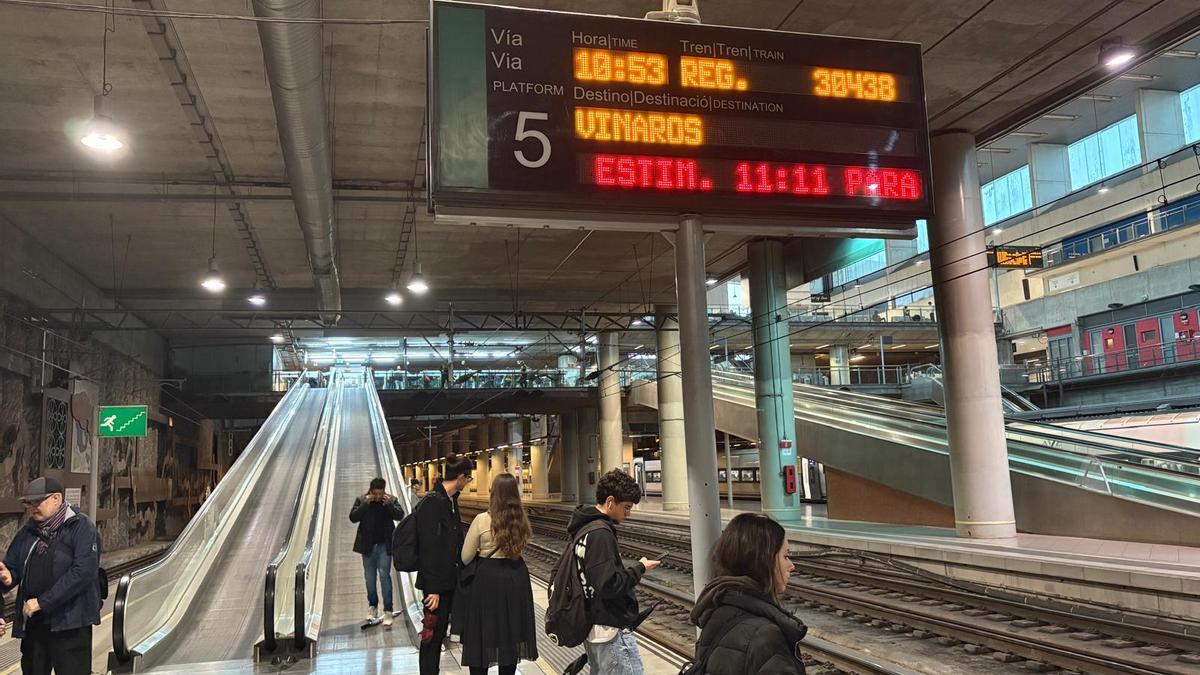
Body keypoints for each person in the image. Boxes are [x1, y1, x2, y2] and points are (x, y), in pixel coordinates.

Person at [0, 477, 102, 675]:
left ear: (56, 499)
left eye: (37, 502)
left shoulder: (80, 527)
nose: (32, 508)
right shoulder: (28, 531)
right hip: (36, 622)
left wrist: (42, 602)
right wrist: (9, 577)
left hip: (71, 623)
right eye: (28, 503)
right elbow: (14, 565)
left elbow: (83, 572)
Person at [567, 469, 661, 675]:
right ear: (610, 502)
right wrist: (640, 568)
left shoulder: (584, 528)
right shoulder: (601, 533)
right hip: (610, 629)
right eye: (626, 507)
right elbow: (609, 585)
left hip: (595, 625)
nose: (628, 513)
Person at [689, 513, 806, 675]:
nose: (791, 566)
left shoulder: (717, 613)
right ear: (763, 561)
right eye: (785, 556)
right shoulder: (766, 635)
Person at [453, 473, 537, 675]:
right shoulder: (521, 520)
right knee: (510, 632)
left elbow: (465, 557)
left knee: (482, 632)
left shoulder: (482, 520)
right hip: (516, 579)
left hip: (487, 581)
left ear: (494, 494)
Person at [415, 453, 473, 675]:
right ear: (461, 477)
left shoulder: (450, 500)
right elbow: (428, 548)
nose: (467, 483)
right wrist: (433, 589)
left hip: (448, 582)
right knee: (431, 637)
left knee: (439, 635)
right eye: (468, 478)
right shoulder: (433, 502)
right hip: (436, 587)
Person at [349, 477, 405, 627]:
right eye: (376, 494)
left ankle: (388, 610)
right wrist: (365, 505)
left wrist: (389, 505)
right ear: (371, 491)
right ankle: (372, 606)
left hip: (384, 546)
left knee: (384, 576)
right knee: (370, 578)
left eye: (381, 493)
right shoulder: (362, 500)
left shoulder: (391, 500)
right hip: (367, 546)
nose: (379, 496)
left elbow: (400, 515)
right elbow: (353, 518)